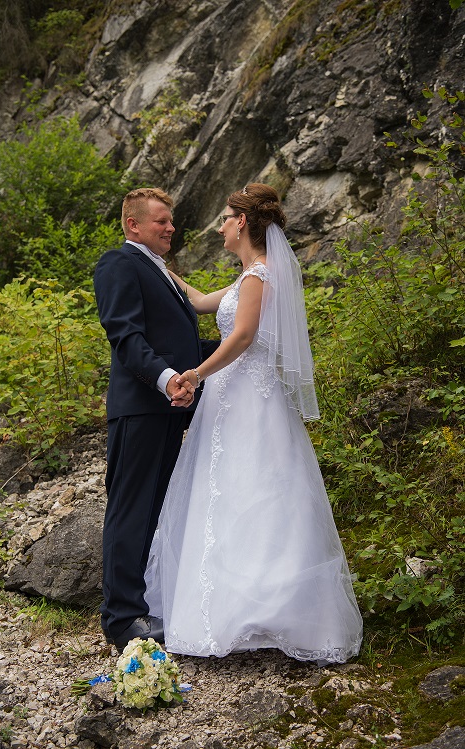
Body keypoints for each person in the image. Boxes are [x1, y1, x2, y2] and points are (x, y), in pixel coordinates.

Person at [145, 183, 363, 663]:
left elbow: (242, 336)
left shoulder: (260, 276)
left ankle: (264, 611)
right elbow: (199, 301)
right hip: (231, 398)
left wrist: (195, 374)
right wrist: (158, 266)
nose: (220, 227)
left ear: (241, 222)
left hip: (249, 399)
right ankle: (234, 608)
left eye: (225, 218)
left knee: (255, 490)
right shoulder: (249, 276)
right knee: (227, 492)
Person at [93, 187, 219, 652]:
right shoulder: (119, 263)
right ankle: (121, 619)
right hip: (141, 407)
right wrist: (167, 381)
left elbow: (179, 345)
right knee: (130, 509)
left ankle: (138, 607)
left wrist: (236, 352)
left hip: (168, 409)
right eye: (161, 221)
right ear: (134, 225)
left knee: (151, 509)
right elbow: (126, 337)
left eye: (171, 220)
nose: (171, 227)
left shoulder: (161, 271)